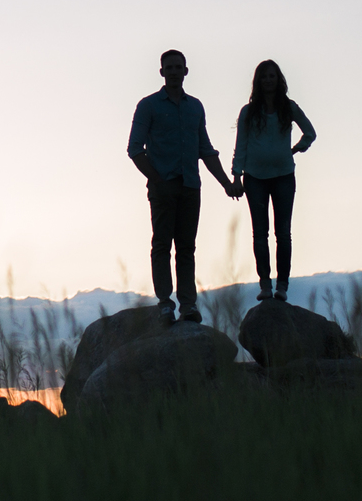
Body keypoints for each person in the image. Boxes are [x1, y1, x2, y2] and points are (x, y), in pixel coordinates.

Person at [126, 49, 240, 323]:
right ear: (162, 72)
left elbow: (205, 149)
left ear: (186, 71)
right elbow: (134, 149)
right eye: (170, 67)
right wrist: (156, 179)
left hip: (191, 186)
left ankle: (188, 305)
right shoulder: (148, 106)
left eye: (179, 67)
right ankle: (165, 303)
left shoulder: (195, 107)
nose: (175, 71)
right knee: (162, 245)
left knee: (186, 247)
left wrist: (227, 183)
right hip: (163, 187)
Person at [231, 59, 316, 302]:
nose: (268, 80)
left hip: (284, 177)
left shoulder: (288, 108)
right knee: (260, 233)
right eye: (264, 76)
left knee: (284, 233)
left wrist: (298, 148)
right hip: (255, 178)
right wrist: (236, 176)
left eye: (272, 76)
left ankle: (282, 286)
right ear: (257, 81)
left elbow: (310, 132)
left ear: (279, 80)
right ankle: (265, 285)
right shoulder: (248, 112)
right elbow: (241, 145)